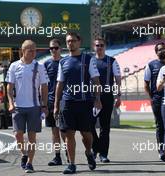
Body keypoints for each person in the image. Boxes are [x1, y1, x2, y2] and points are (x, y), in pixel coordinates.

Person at [54, 32, 102, 174]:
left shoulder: (89, 59)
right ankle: (72, 164)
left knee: (86, 135)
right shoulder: (63, 62)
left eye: (73, 41)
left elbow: (96, 81)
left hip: (85, 102)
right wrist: (57, 104)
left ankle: (89, 152)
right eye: (68, 41)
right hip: (68, 102)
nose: (70, 43)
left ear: (79, 42)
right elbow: (59, 84)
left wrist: (98, 99)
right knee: (69, 134)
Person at [6, 40, 49, 173]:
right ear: (22, 51)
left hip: (34, 107)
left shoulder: (39, 66)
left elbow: (44, 87)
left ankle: (29, 163)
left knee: (32, 137)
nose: (33, 52)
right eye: (30, 50)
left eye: (35, 50)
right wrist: (11, 103)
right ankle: (24, 154)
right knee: (18, 135)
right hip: (18, 107)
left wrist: (44, 105)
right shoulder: (14, 66)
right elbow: (9, 86)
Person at [91, 37, 121, 163]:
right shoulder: (90, 61)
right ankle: (95, 147)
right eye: (97, 45)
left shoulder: (112, 61)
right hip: (91, 98)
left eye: (102, 45)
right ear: (94, 47)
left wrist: (118, 95)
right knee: (89, 126)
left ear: (105, 46)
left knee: (105, 127)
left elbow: (118, 79)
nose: (99, 47)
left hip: (107, 97)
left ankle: (103, 154)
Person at [44, 38, 66, 166]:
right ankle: (57, 157)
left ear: (60, 48)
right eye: (51, 48)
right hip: (51, 102)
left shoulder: (65, 62)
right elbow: (43, 85)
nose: (53, 50)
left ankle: (69, 154)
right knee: (54, 131)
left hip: (65, 101)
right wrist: (44, 103)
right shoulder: (46, 64)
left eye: (56, 48)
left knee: (65, 131)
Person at [144, 42, 165, 159]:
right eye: (160, 49)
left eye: (164, 48)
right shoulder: (151, 65)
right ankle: (161, 151)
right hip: (157, 99)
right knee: (160, 125)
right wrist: (152, 97)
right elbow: (146, 84)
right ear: (156, 52)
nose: (163, 51)